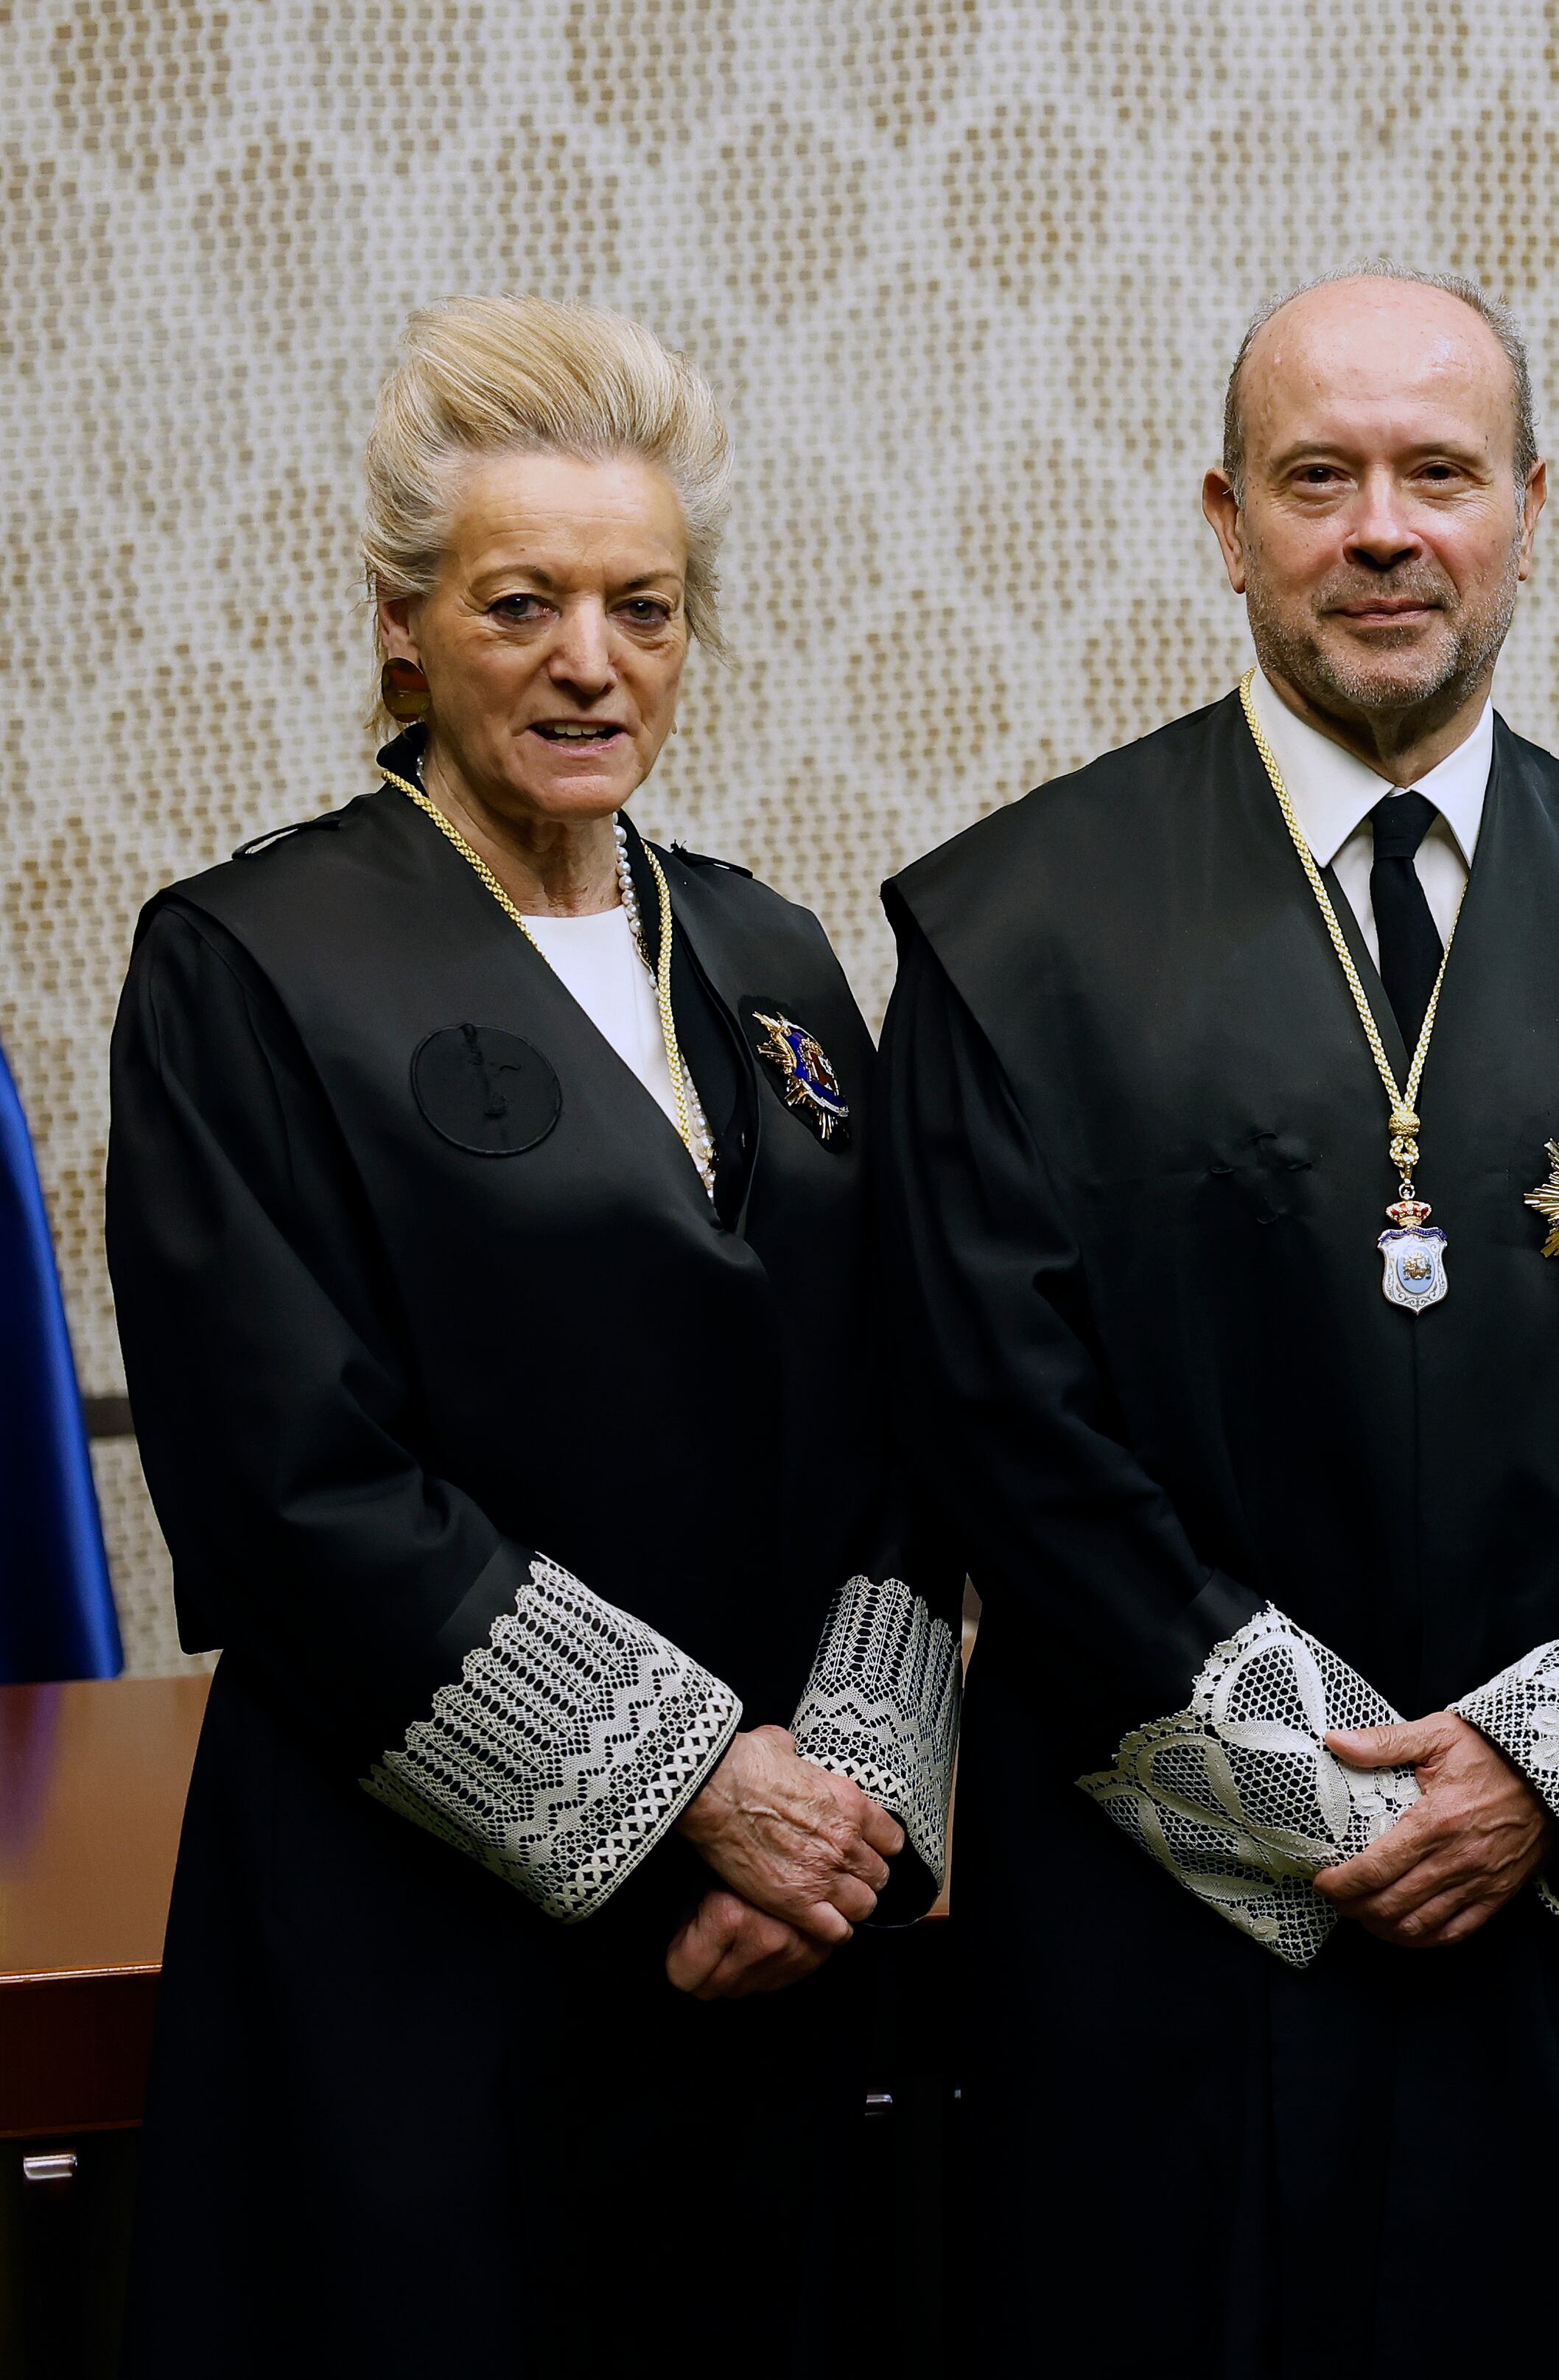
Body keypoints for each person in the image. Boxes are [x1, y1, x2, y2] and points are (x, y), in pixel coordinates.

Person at [876, 266, 1559, 2371]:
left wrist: (1533, 1776)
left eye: (1438, 472)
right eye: (1319, 478)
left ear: (1531, 505)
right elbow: (1000, 1419)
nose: (1382, 529)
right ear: (1227, 521)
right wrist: (1349, 1813)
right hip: (1172, 1948)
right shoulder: (1008, 934)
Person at [107, 296, 960, 2373]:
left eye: (643, 605)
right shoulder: (250, 961)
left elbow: (906, 1410)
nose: (593, 659)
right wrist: (700, 1788)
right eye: (523, 602)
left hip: (765, 1951)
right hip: (416, 1942)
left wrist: (840, 1808)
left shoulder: (761, 948)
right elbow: (291, 1477)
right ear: (404, 624)